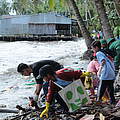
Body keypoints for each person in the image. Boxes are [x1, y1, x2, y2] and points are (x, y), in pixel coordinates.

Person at [91, 41, 116, 105]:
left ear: (96, 47)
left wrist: (99, 70)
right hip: (111, 72)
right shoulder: (104, 52)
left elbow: (103, 61)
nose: (93, 50)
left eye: (93, 49)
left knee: (101, 87)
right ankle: (113, 101)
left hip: (105, 72)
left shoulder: (98, 53)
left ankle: (98, 100)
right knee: (110, 88)